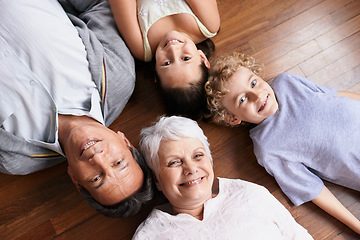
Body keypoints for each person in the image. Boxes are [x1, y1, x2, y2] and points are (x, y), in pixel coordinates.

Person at [0, 0, 153, 217]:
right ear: (126, 143)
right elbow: (97, 4)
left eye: (96, 178)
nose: (97, 158)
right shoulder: (117, 76)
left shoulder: (14, 158)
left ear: (75, 179)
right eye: (118, 162)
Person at [205, 52, 360, 234]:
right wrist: (356, 226)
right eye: (242, 99)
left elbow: (333, 96)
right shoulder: (267, 147)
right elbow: (313, 189)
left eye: (253, 83)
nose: (257, 95)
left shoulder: (286, 82)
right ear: (232, 118)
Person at [133, 115, 313, 239]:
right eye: (174, 162)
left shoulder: (249, 194)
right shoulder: (150, 236)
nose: (191, 168)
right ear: (157, 180)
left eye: (197, 156)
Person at [108, 0, 220, 120]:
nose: (173, 49)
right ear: (203, 58)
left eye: (166, 63)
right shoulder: (208, 25)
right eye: (186, 58)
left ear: (156, 73)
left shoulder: (141, 46)